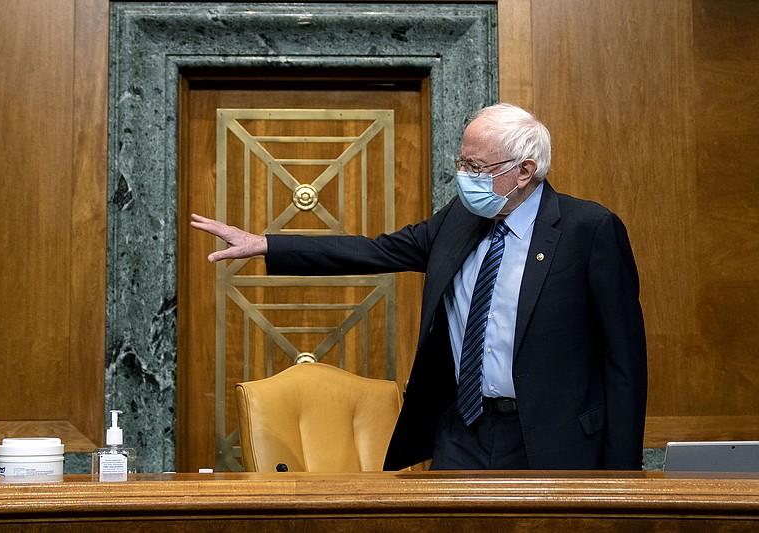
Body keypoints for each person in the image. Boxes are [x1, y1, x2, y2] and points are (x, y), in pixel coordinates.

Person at [191, 103, 647, 471]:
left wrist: (624, 474)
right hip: (462, 431)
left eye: (476, 165)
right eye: (461, 161)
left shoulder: (589, 230)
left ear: (525, 170)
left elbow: (624, 362)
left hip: (551, 438)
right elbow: (375, 251)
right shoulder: (460, 221)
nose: (464, 176)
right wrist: (266, 244)